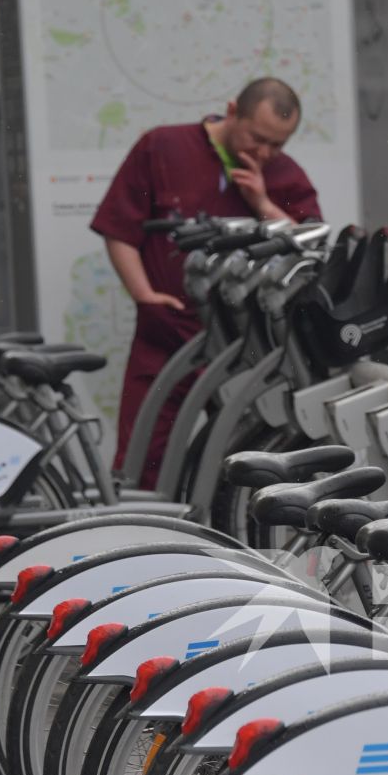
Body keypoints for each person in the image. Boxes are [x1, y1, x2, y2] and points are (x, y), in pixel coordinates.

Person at [89, 78, 322, 487]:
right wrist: (144, 295)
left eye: (278, 145)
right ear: (232, 111)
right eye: (257, 138)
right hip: (168, 328)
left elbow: (310, 246)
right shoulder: (162, 148)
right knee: (145, 457)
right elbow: (120, 229)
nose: (264, 153)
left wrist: (263, 205)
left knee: (247, 460)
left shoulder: (284, 175)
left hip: (248, 343)